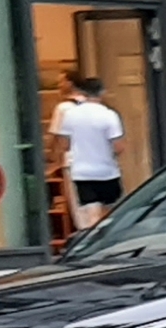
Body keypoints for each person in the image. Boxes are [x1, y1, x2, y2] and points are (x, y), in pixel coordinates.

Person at [50, 75, 127, 228]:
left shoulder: (70, 115)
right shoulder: (109, 115)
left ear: (82, 92)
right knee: (112, 213)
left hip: (82, 172)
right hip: (107, 171)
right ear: (102, 92)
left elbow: (64, 144)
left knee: (89, 216)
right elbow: (118, 146)